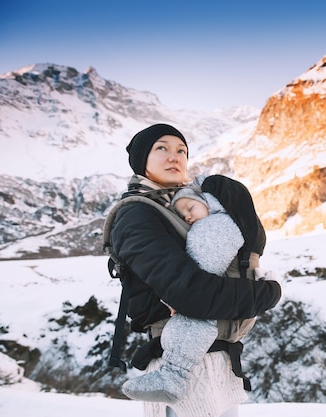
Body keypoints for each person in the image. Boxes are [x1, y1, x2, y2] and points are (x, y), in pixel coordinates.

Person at [109, 123, 281, 417]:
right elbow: (192, 294)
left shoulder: (187, 207)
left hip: (217, 362)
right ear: (142, 161)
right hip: (179, 364)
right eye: (161, 148)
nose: (174, 156)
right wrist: (264, 295)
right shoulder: (136, 215)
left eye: (181, 150)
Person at [121, 185, 252, 404]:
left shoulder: (216, 227)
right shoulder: (212, 224)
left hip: (209, 351)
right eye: (183, 215)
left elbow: (199, 278)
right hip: (217, 345)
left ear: (209, 202)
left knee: (194, 322)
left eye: (190, 207)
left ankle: (173, 376)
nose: (188, 216)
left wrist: (177, 297)